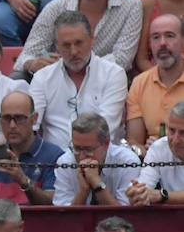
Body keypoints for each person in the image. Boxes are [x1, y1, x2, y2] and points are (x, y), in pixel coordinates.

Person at [14, 0, 141, 80]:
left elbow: (122, 60)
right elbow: (26, 56)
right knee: (17, 78)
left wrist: (74, 68)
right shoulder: (56, 7)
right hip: (59, 80)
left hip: (106, 80)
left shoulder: (131, 5)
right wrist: (33, 64)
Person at [28, 11, 129, 151]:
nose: (74, 51)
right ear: (56, 46)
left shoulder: (113, 74)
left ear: (92, 39)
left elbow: (105, 131)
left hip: (99, 160)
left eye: (79, 43)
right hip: (53, 163)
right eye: (66, 45)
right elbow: (30, 126)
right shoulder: (42, 78)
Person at [0, 89, 61, 204]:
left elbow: (53, 207)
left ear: (34, 119)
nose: (12, 125)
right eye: (6, 118)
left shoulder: (54, 156)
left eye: (20, 118)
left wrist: (23, 181)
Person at [52, 112, 141, 206]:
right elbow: (64, 217)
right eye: (77, 148)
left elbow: (125, 215)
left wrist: (97, 184)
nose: (81, 156)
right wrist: (83, 191)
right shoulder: (65, 162)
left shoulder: (128, 161)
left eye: (88, 150)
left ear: (106, 144)